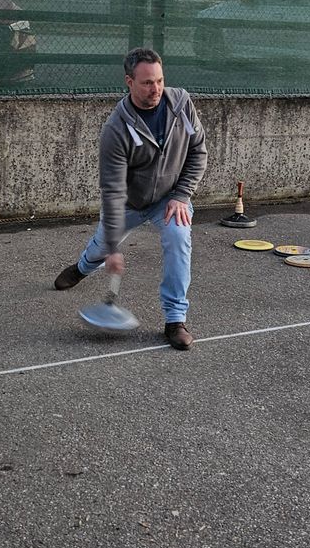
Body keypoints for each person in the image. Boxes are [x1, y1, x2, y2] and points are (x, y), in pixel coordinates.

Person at [53, 47, 208, 350]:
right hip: (128, 203)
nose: (156, 89)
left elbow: (198, 151)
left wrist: (181, 194)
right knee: (102, 247)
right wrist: (112, 248)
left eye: (160, 81)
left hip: (170, 199)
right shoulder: (116, 128)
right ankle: (83, 267)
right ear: (129, 81)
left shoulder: (181, 103)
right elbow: (112, 190)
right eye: (148, 83)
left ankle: (175, 320)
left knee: (179, 239)